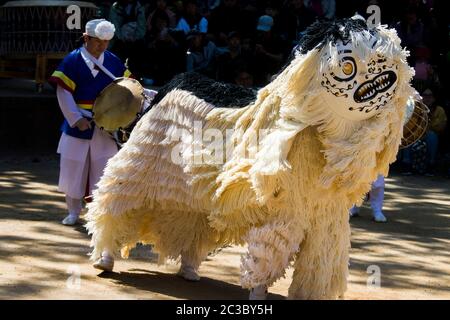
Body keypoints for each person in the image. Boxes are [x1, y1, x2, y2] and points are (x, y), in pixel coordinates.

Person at [49, 19, 131, 226]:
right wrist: (76, 119)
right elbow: (63, 92)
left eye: (106, 42)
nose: (102, 46)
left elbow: (127, 87)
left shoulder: (112, 60)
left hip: (107, 125)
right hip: (79, 122)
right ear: (86, 38)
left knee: (105, 169)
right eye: (97, 42)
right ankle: (73, 211)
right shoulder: (72, 60)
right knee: (73, 167)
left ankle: (99, 214)